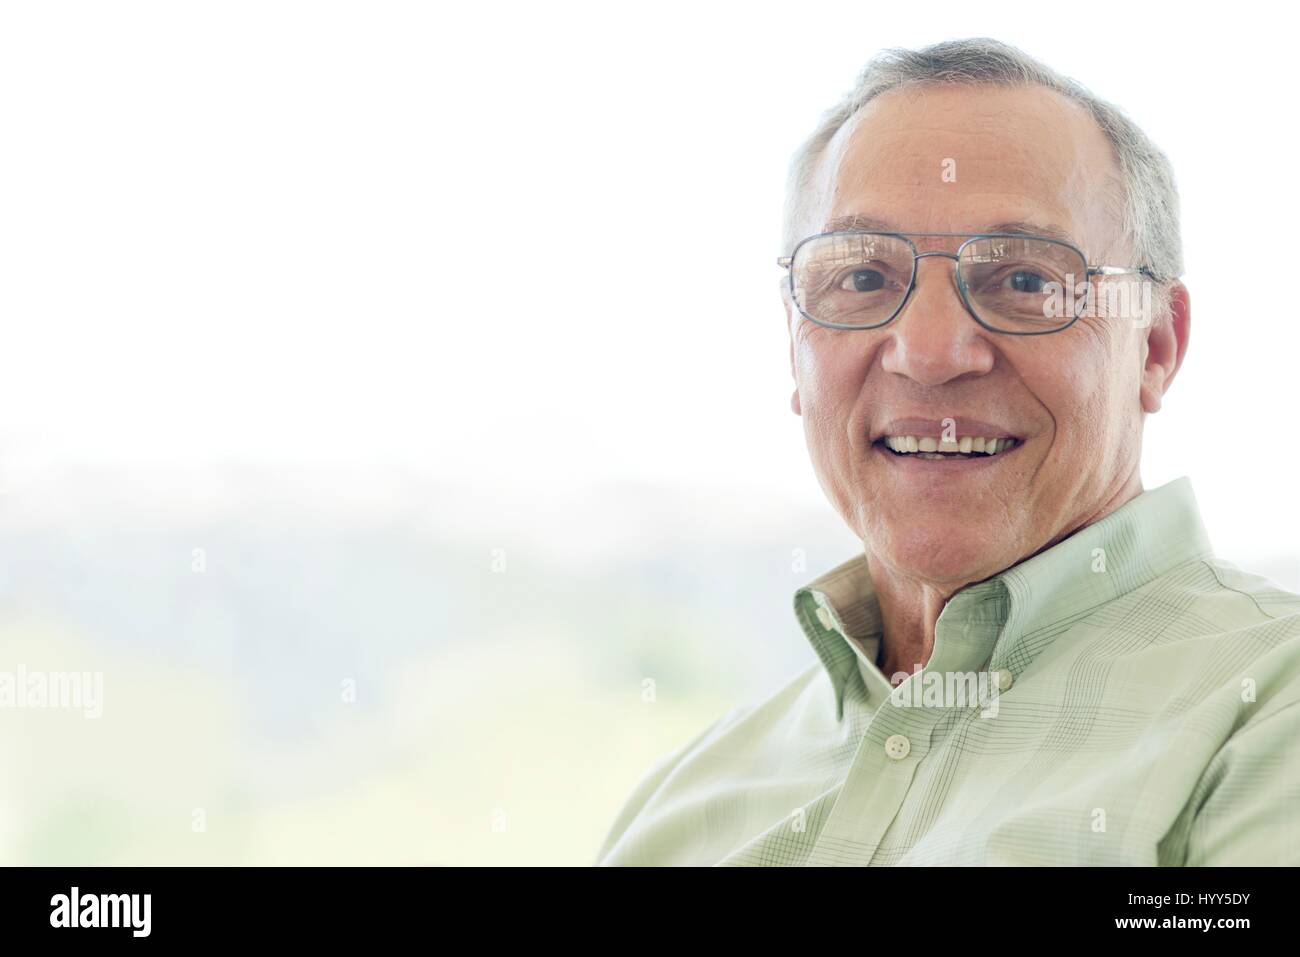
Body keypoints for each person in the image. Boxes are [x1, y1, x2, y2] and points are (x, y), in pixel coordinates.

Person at [596, 38, 1300, 866]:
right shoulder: (675, 806)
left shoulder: (1270, 712)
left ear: (1154, 345)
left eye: (1026, 281)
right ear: (794, 349)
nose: (929, 352)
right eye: (861, 279)